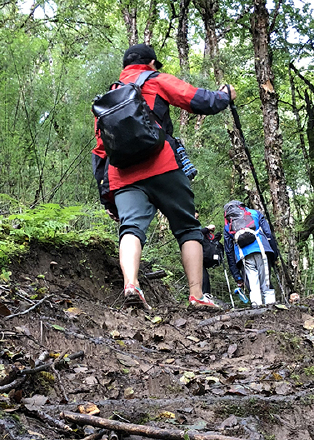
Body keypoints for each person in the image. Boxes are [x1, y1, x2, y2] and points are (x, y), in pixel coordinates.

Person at [92, 43, 236, 310]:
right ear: (150, 64)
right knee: (188, 229)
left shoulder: (108, 100)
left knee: (131, 228)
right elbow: (196, 100)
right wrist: (225, 96)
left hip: (122, 176)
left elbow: (100, 152)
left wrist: (107, 197)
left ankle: (131, 285)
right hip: (164, 167)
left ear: (124, 68)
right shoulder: (155, 80)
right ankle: (196, 295)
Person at [223, 200, 277, 307]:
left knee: (253, 284)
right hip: (262, 251)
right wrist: (274, 255)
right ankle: (272, 309)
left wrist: (237, 276)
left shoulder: (228, 225)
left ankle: (257, 308)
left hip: (244, 256)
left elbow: (229, 252)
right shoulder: (255, 213)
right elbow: (268, 234)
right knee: (266, 284)